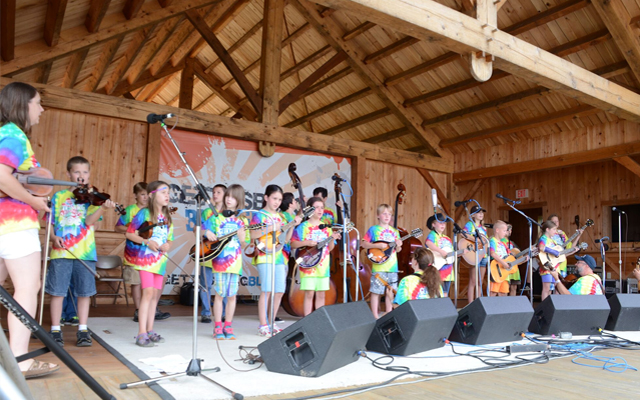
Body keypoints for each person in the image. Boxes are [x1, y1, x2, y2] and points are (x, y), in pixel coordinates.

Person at [0, 81, 59, 378]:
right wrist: (34, 201)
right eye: (38, 102)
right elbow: (1, 176)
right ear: (24, 104)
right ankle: (20, 360)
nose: (41, 109)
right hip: (13, 224)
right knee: (27, 287)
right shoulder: (13, 134)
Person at [46, 156, 116, 347]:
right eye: (77, 172)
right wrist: (53, 237)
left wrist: (102, 208)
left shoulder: (92, 198)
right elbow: (49, 222)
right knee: (57, 292)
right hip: (61, 251)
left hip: (85, 252)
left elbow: (89, 222)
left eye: (85, 172)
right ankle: (55, 329)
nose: (81, 176)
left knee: (84, 292)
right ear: (68, 173)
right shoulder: (59, 196)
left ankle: (83, 329)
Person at [125, 181, 174, 347]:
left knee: (154, 295)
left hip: (160, 262)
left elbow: (170, 239)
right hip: (145, 260)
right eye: (163, 192)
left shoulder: (167, 217)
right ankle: (141, 333)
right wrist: (146, 242)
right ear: (152, 195)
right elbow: (130, 233)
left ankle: (150, 329)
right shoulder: (144, 213)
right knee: (147, 293)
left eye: (168, 192)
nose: (167, 195)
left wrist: (168, 245)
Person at [115, 182, 171, 322]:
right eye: (142, 194)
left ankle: (152, 309)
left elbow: (169, 237)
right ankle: (139, 310)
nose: (145, 197)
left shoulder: (162, 215)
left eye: (147, 194)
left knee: (153, 287)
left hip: (156, 257)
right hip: (135, 253)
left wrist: (166, 245)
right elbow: (121, 229)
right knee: (137, 282)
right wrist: (140, 234)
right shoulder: (134, 211)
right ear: (136, 196)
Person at [251, 184, 301, 337]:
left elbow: (285, 240)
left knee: (279, 291)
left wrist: (292, 225)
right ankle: (263, 325)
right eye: (274, 198)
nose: (277, 202)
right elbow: (252, 235)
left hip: (279, 256)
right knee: (267, 290)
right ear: (266, 198)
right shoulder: (259, 215)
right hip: (264, 255)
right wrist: (271, 228)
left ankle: (272, 323)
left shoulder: (281, 217)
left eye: (279, 199)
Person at [203, 184, 248, 340]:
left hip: (235, 263)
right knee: (219, 294)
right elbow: (202, 228)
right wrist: (207, 232)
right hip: (219, 262)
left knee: (232, 295)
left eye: (233, 197)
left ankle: (228, 325)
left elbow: (244, 244)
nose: (229, 199)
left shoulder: (242, 220)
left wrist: (242, 239)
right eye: (227, 196)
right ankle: (217, 326)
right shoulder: (216, 217)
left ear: (239, 200)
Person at [290, 197, 341, 316]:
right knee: (309, 293)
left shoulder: (326, 227)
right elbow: (293, 244)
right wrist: (306, 243)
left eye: (322, 207)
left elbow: (330, 248)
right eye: (317, 207)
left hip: (323, 266)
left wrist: (332, 239)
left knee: (321, 294)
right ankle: (308, 319)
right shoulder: (303, 227)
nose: (320, 210)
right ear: (310, 209)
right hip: (308, 266)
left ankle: (319, 320)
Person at [361, 204, 402, 318]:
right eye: (384, 213)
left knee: (390, 291)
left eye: (389, 214)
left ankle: (388, 313)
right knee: (376, 291)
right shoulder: (373, 229)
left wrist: (399, 245)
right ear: (378, 215)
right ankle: (374, 316)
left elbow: (397, 250)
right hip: (379, 266)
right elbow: (363, 244)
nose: (387, 216)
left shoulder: (395, 232)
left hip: (393, 267)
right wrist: (378, 245)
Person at [197, 183, 227, 323]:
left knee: (223, 286)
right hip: (208, 252)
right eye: (213, 192)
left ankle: (224, 313)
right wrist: (205, 232)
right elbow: (197, 230)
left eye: (218, 192)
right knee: (206, 284)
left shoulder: (229, 213)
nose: (215, 195)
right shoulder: (206, 212)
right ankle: (206, 312)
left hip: (224, 255)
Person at [537, 220, 579, 300]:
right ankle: (544, 308)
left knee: (552, 289)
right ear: (547, 230)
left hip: (555, 267)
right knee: (546, 289)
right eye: (553, 229)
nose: (555, 231)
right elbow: (541, 247)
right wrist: (553, 251)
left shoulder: (553, 241)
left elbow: (559, 255)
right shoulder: (544, 238)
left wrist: (572, 251)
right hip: (547, 266)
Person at [425, 213, 459, 296]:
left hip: (448, 271)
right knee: (437, 292)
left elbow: (450, 253)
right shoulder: (433, 235)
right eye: (440, 223)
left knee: (445, 293)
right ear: (433, 224)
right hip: (438, 269)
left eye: (444, 223)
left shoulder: (448, 238)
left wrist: (461, 253)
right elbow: (428, 243)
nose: (443, 225)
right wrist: (440, 251)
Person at [547, 214, 584, 291]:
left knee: (559, 289)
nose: (556, 223)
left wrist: (578, 236)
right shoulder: (547, 234)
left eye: (557, 221)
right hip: (551, 264)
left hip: (562, 265)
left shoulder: (562, 234)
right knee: (549, 289)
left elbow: (570, 248)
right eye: (553, 221)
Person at [464, 205, 489, 301]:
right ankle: (470, 303)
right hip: (474, 254)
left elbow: (484, 240)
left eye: (482, 212)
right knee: (473, 281)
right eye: (478, 212)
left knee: (480, 281)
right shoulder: (470, 224)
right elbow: (464, 234)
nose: (481, 214)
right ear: (473, 215)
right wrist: (476, 240)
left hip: (483, 254)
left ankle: (478, 302)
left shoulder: (483, 228)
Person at [488, 221, 517, 297]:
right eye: (504, 231)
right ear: (497, 230)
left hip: (503, 272)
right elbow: (492, 253)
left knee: (503, 292)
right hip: (496, 269)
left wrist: (522, 259)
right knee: (493, 292)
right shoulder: (493, 241)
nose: (505, 233)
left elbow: (508, 257)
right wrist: (503, 263)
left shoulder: (503, 243)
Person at [504, 223, 521, 296]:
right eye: (508, 229)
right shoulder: (500, 241)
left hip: (514, 266)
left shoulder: (511, 243)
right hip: (506, 266)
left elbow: (517, 254)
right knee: (505, 287)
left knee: (514, 287)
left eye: (510, 230)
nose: (510, 231)